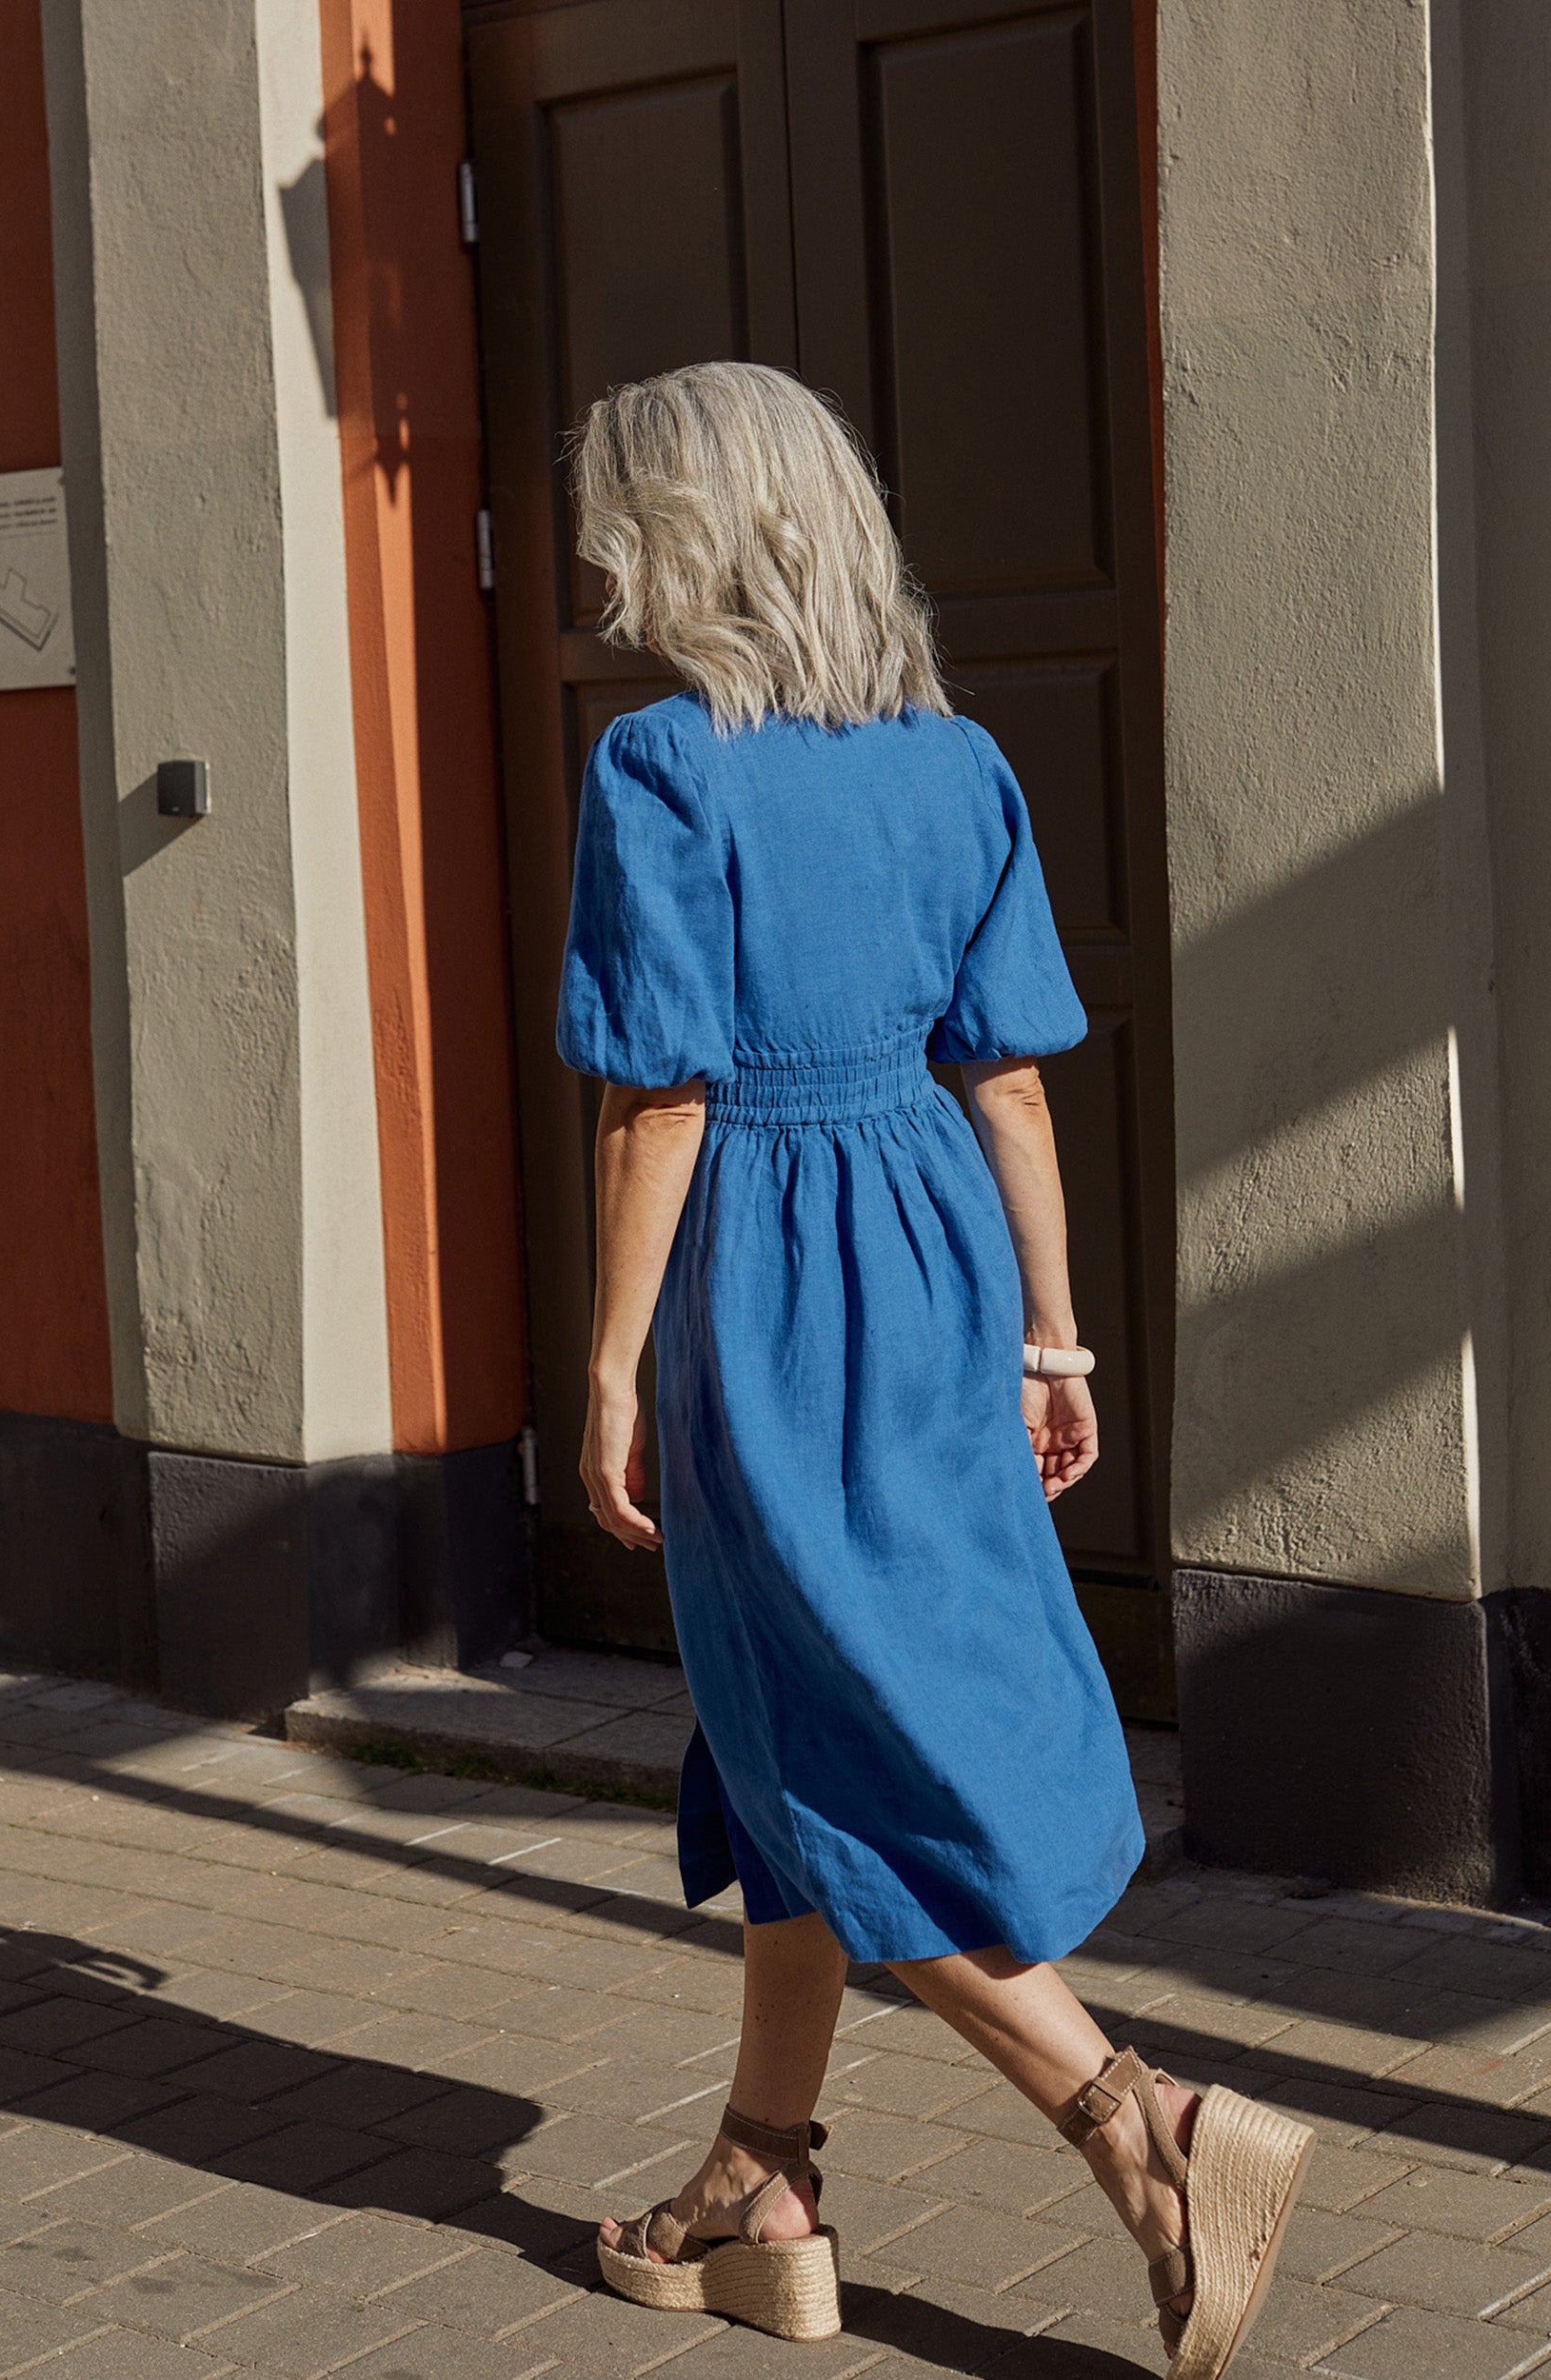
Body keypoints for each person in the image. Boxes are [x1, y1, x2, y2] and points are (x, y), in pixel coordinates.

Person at [554, 362, 1309, 2376]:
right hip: (932, 1254)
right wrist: (1050, 1331)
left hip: (769, 1286)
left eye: (620, 517)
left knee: (821, 1733)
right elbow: (1012, 1073)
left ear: (686, 537)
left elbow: (660, 1098)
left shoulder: (664, 766)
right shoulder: (955, 760)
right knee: (784, 1712)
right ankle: (760, 2181)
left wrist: (613, 1358)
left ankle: (1142, 2126)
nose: (596, 555)